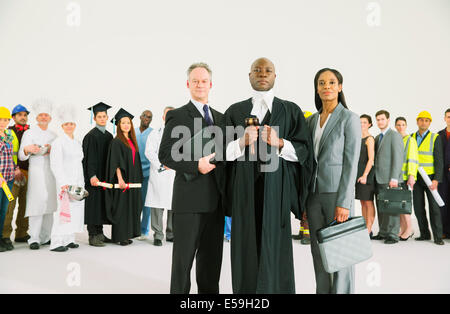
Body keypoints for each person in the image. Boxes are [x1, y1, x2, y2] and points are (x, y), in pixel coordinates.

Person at [224, 58, 313, 294]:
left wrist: (280, 142)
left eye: (268, 70)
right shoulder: (234, 111)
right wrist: (241, 142)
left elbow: (305, 151)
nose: (262, 74)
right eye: (257, 70)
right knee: (245, 245)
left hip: (277, 190)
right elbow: (221, 153)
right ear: (249, 76)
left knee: (275, 245)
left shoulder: (290, 110)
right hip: (244, 191)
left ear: (276, 76)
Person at [159, 62, 226, 294]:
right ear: (188, 84)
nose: (200, 84)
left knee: (211, 262)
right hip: (188, 200)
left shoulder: (220, 117)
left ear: (211, 85)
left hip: (215, 201)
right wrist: (196, 165)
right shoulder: (177, 115)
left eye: (204, 81)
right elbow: (165, 155)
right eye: (195, 80)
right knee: (183, 262)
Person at [305, 68, 360, 294]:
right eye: (321, 83)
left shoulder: (349, 118)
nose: (326, 86)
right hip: (314, 196)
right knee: (318, 253)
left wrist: (344, 202)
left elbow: (351, 163)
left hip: (337, 195)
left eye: (332, 82)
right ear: (317, 89)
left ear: (340, 87)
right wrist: (304, 200)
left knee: (341, 254)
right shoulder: (311, 121)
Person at [18, 98, 57, 250]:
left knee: (49, 203)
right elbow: (21, 155)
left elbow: (59, 155)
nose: (43, 117)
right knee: (36, 203)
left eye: (46, 115)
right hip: (35, 170)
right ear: (36, 117)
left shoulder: (54, 135)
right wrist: (28, 149)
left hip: (50, 171)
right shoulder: (29, 133)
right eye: (41, 115)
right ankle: (33, 238)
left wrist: (51, 149)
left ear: (50, 118)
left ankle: (46, 237)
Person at [104, 108, 143, 245]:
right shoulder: (117, 141)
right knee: (121, 208)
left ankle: (127, 234)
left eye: (128, 122)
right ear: (118, 126)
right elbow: (116, 163)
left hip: (132, 180)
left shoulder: (132, 141)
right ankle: (119, 237)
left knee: (129, 207)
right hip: (123, 180)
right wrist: (120, 179)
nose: (126, 125)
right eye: (123, 123)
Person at [49, 105, 85, 252]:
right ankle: (56, 242)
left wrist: (81, 182)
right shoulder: (58, 142)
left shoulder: (77, 142)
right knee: (63, 211)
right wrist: (63, 183)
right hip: (65, 183)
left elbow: (79, 163)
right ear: (62, 126)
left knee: (75, 211)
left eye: (71, 124)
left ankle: (69, 239)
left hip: (77, 181)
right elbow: (55, 164)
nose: (69, 126)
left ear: (75, 125)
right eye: (66, 124)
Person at [82, 102, 113, 247]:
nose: (102, 119)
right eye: (99, 116)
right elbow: (88, 159)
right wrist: (92, 175)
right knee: (93, 204)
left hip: (105, 177)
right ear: (94, 118)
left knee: (101, 204)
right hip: (93, 177)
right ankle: (92, 235)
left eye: (104, 116)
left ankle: (100, 232)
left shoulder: (109, 136)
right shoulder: (90, 136)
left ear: (107, 118)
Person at [412, 111, 444, 245]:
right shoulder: (411, 137)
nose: (423, 122)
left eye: (426, 120)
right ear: (417, 121)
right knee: (418, 207)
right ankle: (424, 234)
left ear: (429, 122)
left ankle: (438, 237)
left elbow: (439, 160)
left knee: (434, 208)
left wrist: (437, 179)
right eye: (421, 120)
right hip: (416, 178)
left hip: (430, 178)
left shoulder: (435, 137)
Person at [372, 110, 404, 245]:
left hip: (391, 178)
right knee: (382, 207)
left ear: (388, 120)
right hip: (378, 177)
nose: (380, 122)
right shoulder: (377, 137)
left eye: (382, 119)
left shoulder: (394, 136)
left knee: (392, 208)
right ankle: (383, 231)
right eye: (378, 120)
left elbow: (398, 157)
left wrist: (395, 178)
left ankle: (393, 234)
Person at [144, 106, 175, 246]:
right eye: (167, 115)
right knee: (157, 205)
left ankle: (171, 233)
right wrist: (162, 165)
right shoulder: (155, 133)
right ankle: (158, 234)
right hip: (160, 172)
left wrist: (173, 164)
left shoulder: (180, 133)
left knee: (173, 205)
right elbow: (149, 152)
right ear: (163, 117)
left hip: (174, 173)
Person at [2, 105, 31, 250]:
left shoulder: (31, 132)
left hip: (29, 173)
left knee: (26, 205)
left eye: (25, 115)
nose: (23, 117)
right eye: (19, 115)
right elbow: (9, 154)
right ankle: (5, 235)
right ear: (13, 118)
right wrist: (15, 169)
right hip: (12, 174)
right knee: (9, 205)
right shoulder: (8, 132)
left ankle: (21, 233)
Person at [394, 117, 419, 241]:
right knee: (399, 205)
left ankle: (409, 229)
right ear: (395, 126)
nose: (400, 127)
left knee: (404, 205)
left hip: (405, 177)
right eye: (398, 125)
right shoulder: (397, 139)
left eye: (403, 124)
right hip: (396, 178)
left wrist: (411, 175)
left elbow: (413, 159)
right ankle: (403, 229)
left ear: (406, 126)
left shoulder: (410, 140)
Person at [0, 107, 18, 252]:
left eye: (6, 120)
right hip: (0, 180)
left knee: (4, 210)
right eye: (1, 119)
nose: (3, 122)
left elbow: (10, 156)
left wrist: (15, 168)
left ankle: (1, 238)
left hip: (9, 178)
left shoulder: (8, 135)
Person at [355, 114, 375, 237]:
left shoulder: (369, 139)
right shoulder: (358, 138)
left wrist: (365, 175)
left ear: (369, 124)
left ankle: (369, 228)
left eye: (364, 122)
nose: (362, 124)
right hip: (358, 173)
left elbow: (371, 159)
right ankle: (364, 227)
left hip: (366, 174)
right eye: (360, 122)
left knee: (368, 202)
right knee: (362, 202)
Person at [135, 110, 153, 240]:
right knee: (135, 202)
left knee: (146, 202)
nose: (147, 118)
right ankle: (134, 228)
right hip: (134, 172)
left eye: (150, 117)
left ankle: (144, 230)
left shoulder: (153, 133)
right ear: (140, 117)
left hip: (148, 172)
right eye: (145, 116)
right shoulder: (133, 132)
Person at [437, 109, 450, 239]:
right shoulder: (439, 135)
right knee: (443, 202)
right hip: (442, 175)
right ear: (444, 118)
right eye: (448, 117)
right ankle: (444, 230)